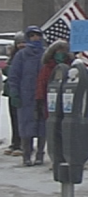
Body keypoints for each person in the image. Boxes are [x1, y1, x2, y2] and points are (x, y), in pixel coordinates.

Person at [8, 26, 46, 166]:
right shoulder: (21, 55)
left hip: (42, 96)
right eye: (32, 36)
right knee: (26, 126)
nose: (35, 38)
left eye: (37, 35)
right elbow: (14, 75)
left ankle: (40, 154)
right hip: (26, 96)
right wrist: (15, 93)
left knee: (42, 126)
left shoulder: (45, 54)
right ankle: (27, 155)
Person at [35, 39, 71, 164]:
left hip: (67, 104)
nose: (61, 54)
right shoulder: (47, 67)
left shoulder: (71, 67)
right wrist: (39, 100)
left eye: (63, 51)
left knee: (66, 131)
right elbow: (41, 84)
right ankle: (55, 157)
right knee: (53, 132)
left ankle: (66, 156)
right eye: (58, 51)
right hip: (50, 104)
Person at [3, 32, 27, 156]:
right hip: (12, 91)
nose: (21, 45)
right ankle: (15, 142)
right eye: (19, 43)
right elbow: (8, 71)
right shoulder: (13, 56)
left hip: (24, 91)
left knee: (22, 118)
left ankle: (23, 144)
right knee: (13, 118)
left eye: (23, 42)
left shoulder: (28, 56)